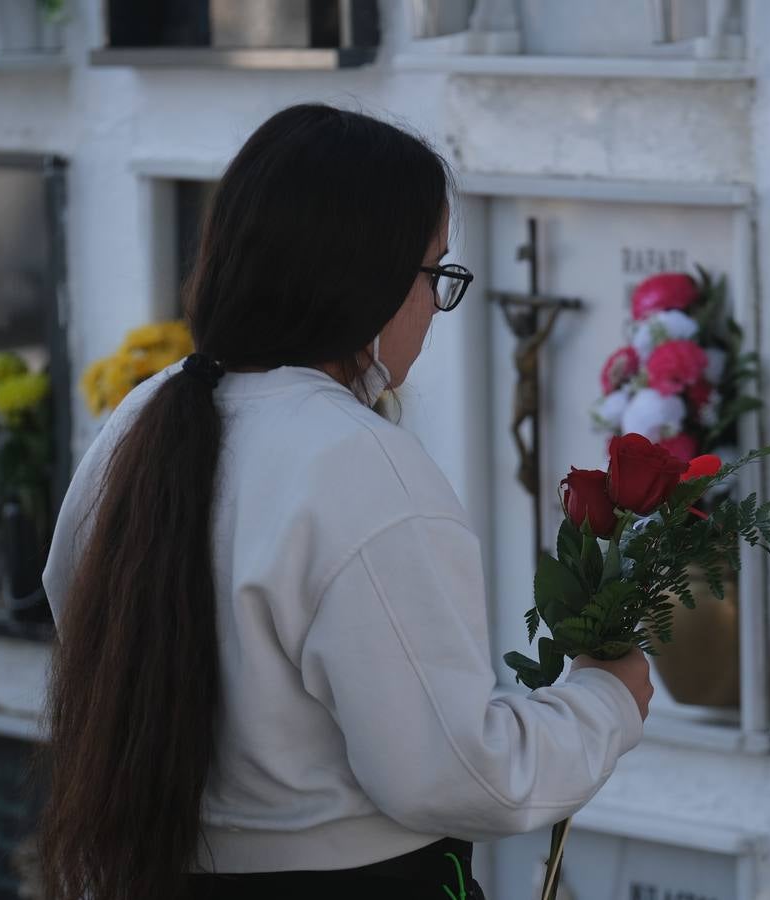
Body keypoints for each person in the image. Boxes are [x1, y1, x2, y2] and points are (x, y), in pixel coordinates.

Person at [37, 103, 653, 900]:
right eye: (436, 275)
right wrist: (606, 699)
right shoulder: (358, 467)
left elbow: (76, 610)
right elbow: (459, 773)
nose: (435, 305)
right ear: (368, 279)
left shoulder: (145, 414)